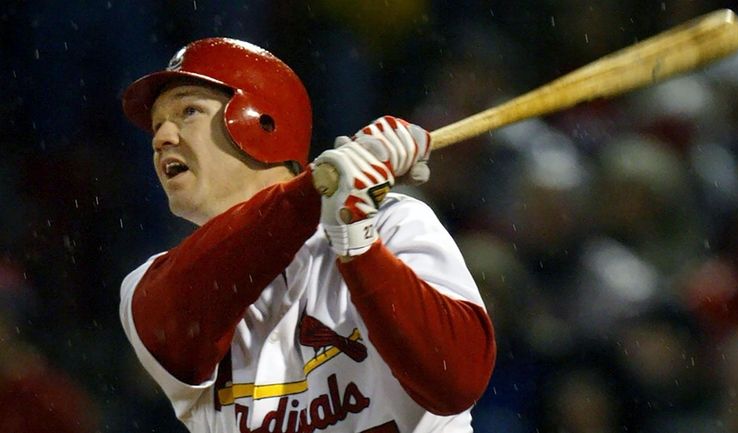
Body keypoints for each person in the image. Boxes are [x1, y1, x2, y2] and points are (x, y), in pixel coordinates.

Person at [119, 37, 496, 433]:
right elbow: (193, 299)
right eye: (157, 128)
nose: (161, 140)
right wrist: (320, 187)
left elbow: (456, 381)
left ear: (262, 121)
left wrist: (358, 243)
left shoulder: (393, 223)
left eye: (188, 111)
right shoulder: (149, 287)